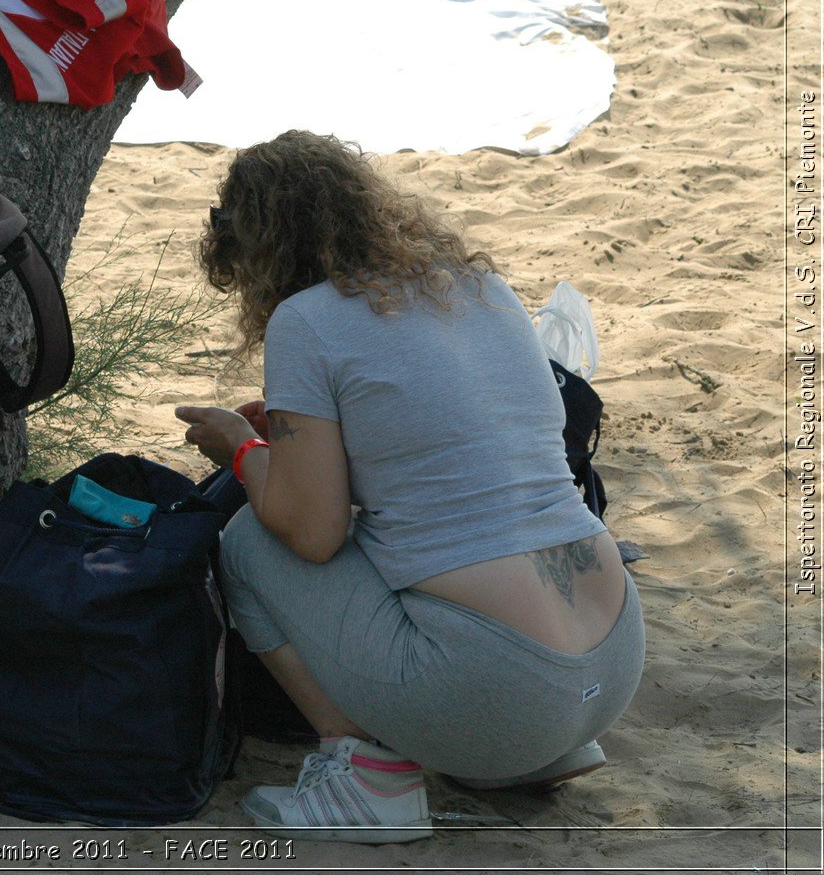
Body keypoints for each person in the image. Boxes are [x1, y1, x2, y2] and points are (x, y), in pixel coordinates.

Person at [174, 130, 644, 844]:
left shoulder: (306, 320)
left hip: (505, 681)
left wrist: (243, 451)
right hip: (611, 663)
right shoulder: (480, 287)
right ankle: (519, 756)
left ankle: (367, 778)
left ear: (257, 252)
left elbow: (314, 530)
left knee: (247, 542)